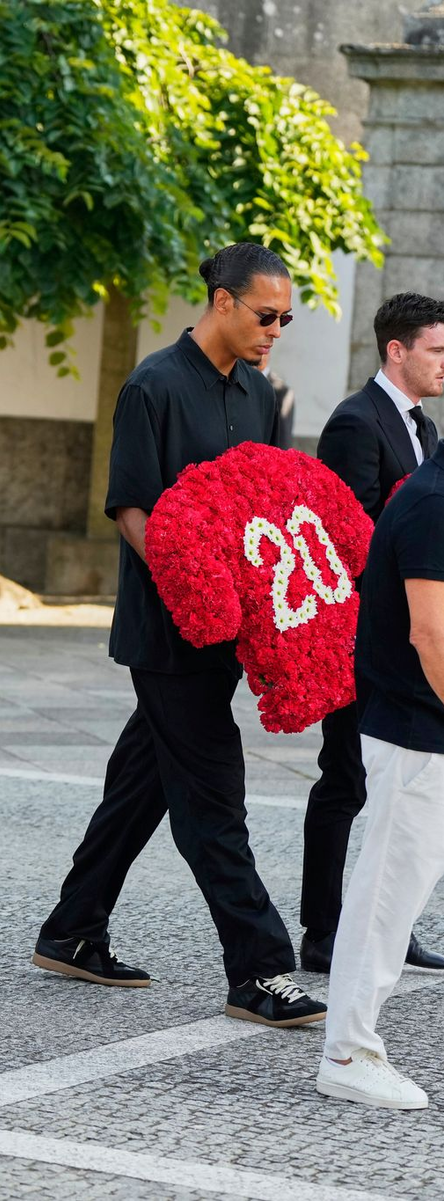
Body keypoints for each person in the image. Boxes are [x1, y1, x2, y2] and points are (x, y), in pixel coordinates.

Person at [32, 242, 325, 1027]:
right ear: (222, 301)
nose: (275, 330)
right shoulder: (152, 385)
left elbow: (264, 510)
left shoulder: (262, 393)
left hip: (230, 633)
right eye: (267, 316)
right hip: (168, 633)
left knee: (143, 783)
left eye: (286, 319)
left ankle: (70, 930)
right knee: (212, 796)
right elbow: (132, 510)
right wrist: (197, 584)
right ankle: (260, 970)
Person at [301, 293, 444, 975]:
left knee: (394, 795)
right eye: (437, 350)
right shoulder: (355, 422)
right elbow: (343, 536)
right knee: (345, 780)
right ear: (398, 350)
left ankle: (392, 923)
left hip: (413, 631)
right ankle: (323, 929)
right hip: (361, 638)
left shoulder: (426, 429)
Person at [315, 422, 444, 1109]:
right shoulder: (433, 502)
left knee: (399, 887)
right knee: (386, 894)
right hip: (417, 733)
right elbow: (430, 631)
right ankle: (347, 1050)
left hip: (430, 731)